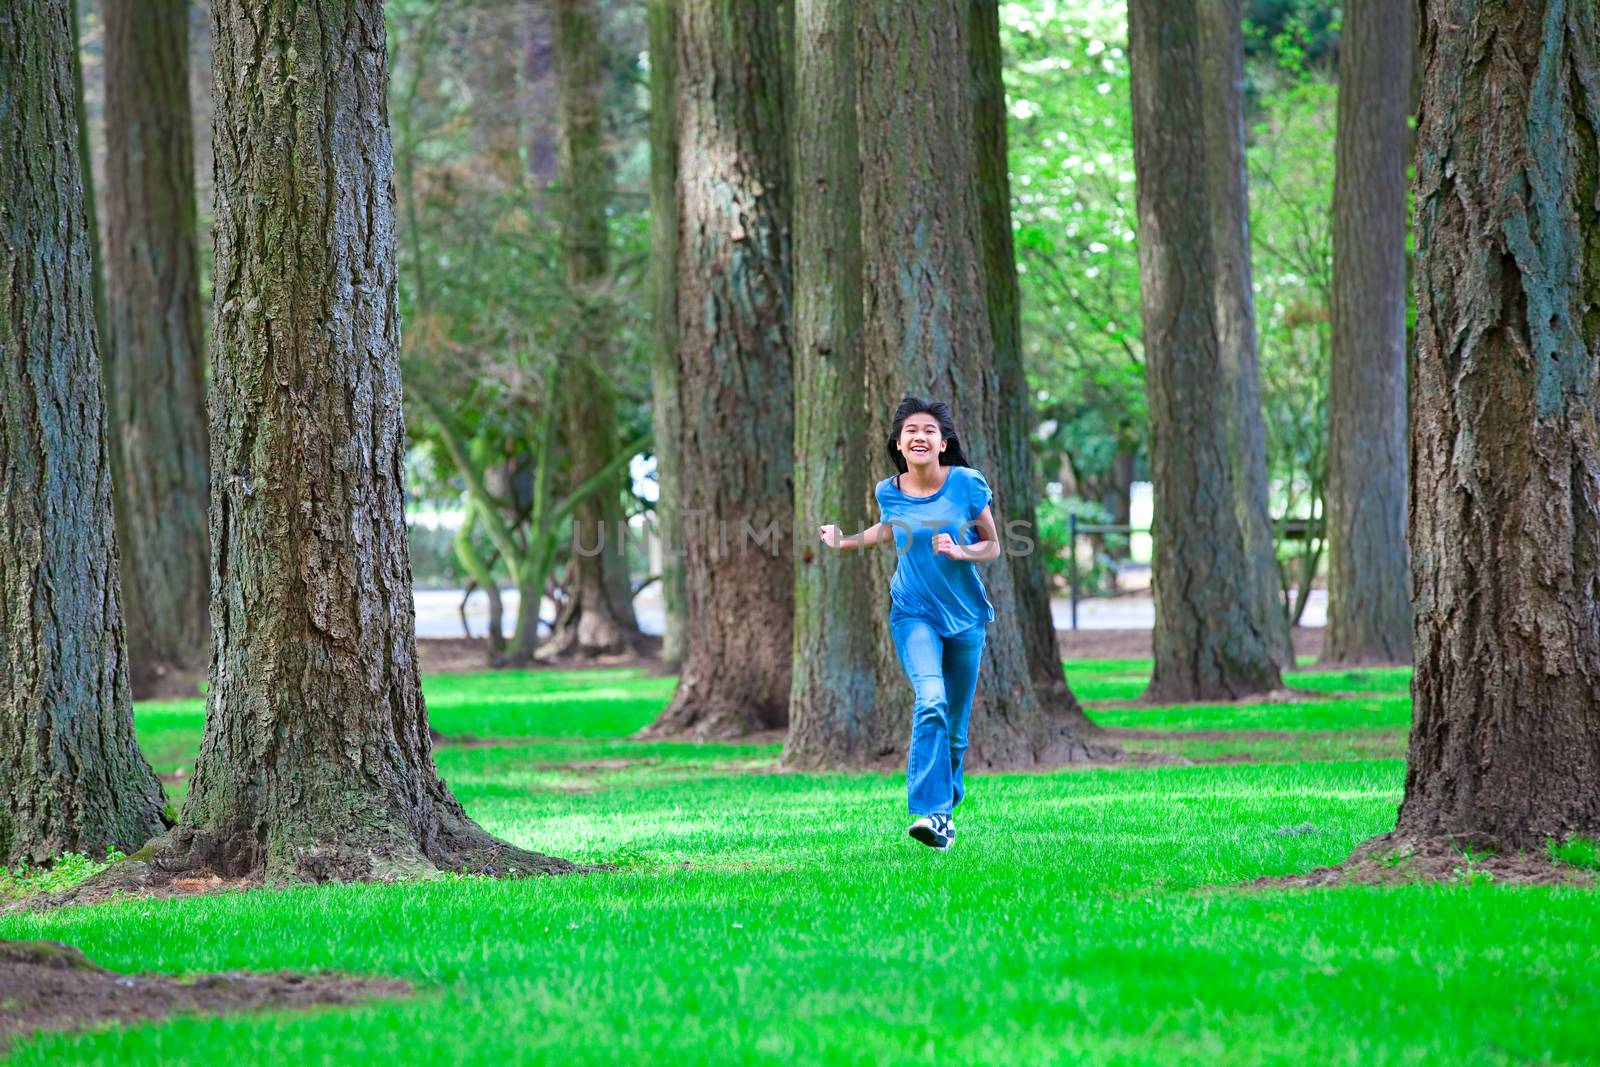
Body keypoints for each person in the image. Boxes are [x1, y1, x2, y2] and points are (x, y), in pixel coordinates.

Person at [817, 396, 1000, 851]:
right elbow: (888, 529)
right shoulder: (889, 490)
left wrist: (963, 550)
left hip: (965, 619)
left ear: (943, 442)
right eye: (911, 431)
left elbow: (993, 546)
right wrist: (845, 541)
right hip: (913, 611)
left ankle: (946, 807)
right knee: (931, 698)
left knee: (955, 730)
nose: (920, 436)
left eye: (929, 430)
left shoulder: (966, 484)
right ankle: (930, 813)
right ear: (899, 444)